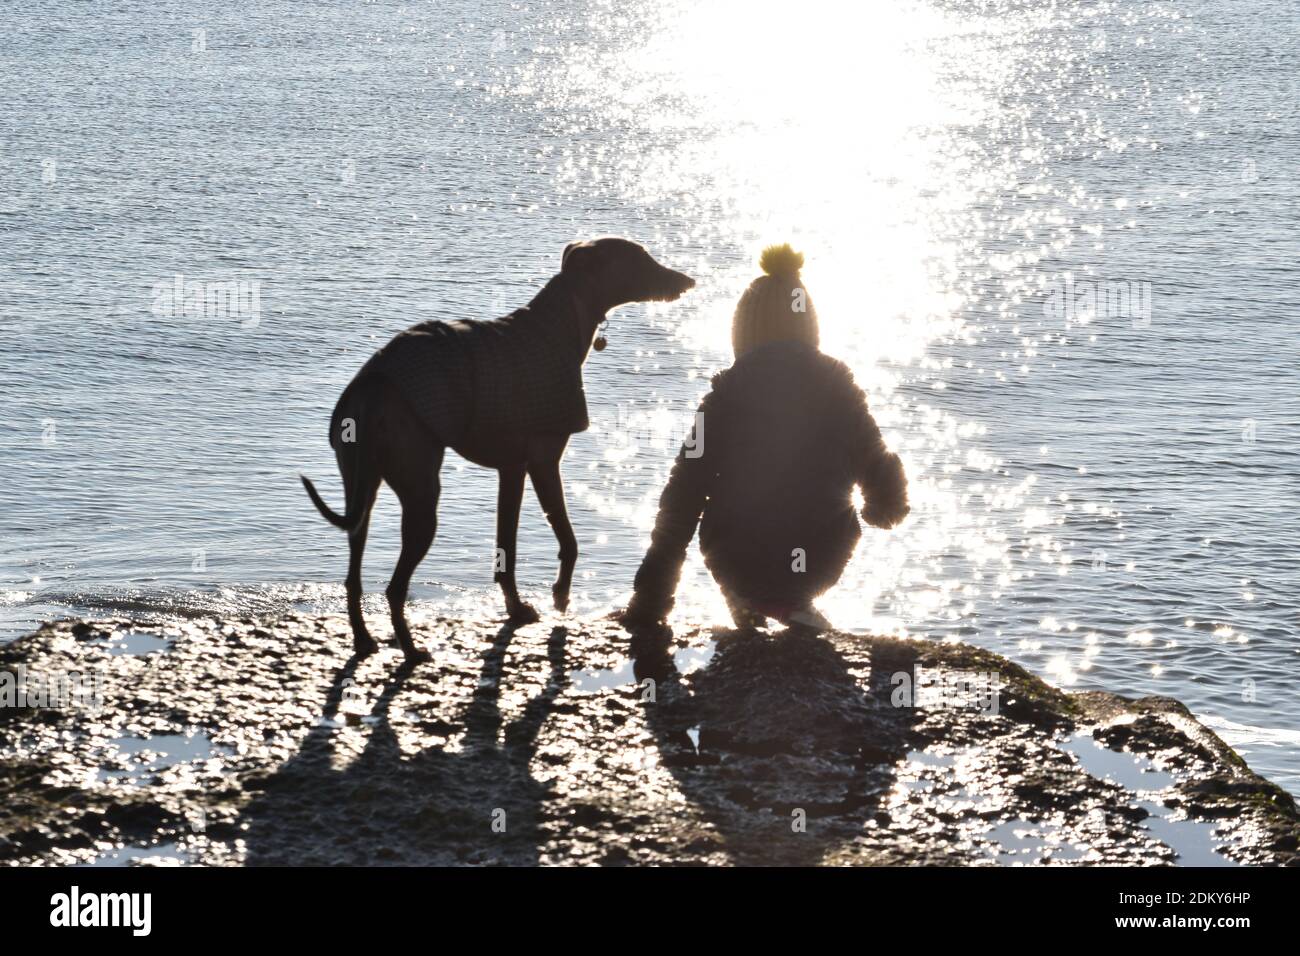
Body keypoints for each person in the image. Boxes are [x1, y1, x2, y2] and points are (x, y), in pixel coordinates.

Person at [623, 244, 909, 630]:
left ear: (742, 334)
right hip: (818, 555)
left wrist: (651, 598)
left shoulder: (724, 397)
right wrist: (885, 506)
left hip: (739, 554)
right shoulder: (840, 391)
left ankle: (751, 598)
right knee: (822, 515)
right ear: (810, 329)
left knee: (705, 498)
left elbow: (683, 493)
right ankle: (790, 598)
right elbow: (877, 461)